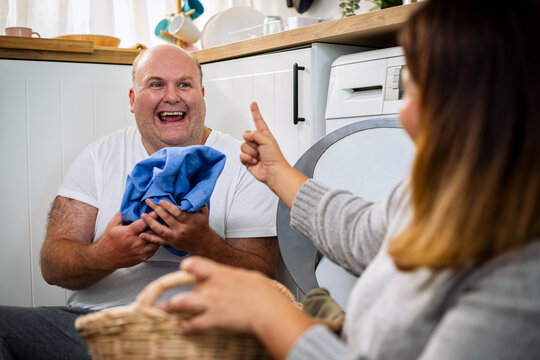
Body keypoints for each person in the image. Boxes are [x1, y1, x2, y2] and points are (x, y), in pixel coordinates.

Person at [159, 1, 540, 359]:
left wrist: (269, 313)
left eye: (412, 88)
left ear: (475, 105)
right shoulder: (443, 193)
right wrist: (278, 174)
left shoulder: (522, 278)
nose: (401, 113)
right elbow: (364, 233)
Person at [0, 44, 279, 359]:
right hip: (95, 329)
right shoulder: (99, 155)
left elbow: (266, 278)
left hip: (199, 335)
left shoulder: (242, 161)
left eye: (184, 84)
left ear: (201, 95)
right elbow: (53, 265)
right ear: (133, 100)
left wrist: (203, 243)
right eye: (156, 84)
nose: (171, 96)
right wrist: (107, 254)